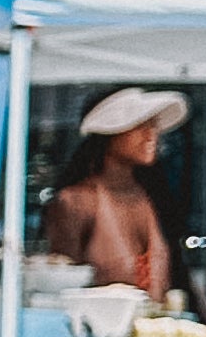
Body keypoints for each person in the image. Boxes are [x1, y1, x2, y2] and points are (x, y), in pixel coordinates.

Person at [41, 86, 189, 302]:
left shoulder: (153, 199)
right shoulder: (78, 201)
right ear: (109, 134)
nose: (151, 135)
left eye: (153, 125)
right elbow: (61, 286)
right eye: (138, 126)